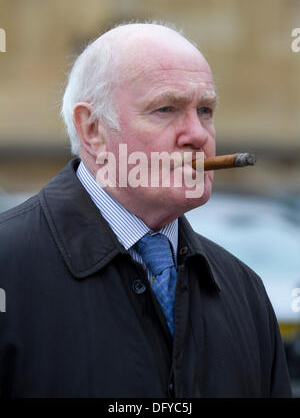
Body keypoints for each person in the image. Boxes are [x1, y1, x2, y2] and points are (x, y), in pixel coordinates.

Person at [0, 22, 292, 398]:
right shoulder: (9, 266)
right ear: (92, 130)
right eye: (166, 109)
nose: (198, 135)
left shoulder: (244, 290)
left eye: (205, 110)